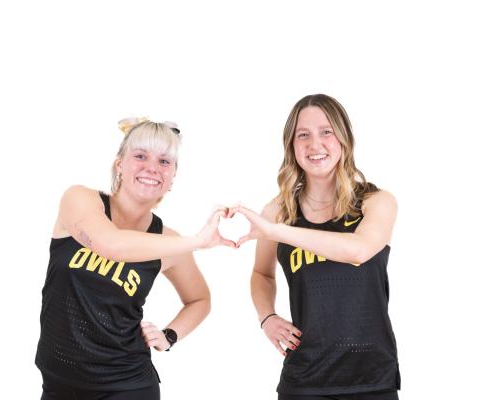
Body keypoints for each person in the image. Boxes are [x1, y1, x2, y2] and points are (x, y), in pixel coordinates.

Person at [35, 118, 235, 400]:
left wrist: (169, 336)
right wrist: (198, 241)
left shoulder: (169, 240)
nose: (152, 167)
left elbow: (200, 300)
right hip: (58, 386)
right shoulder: (80, 200)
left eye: (165, 161)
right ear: (120, 164)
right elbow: (110, 244)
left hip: (126, 385)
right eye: (140, 156)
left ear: (173, 176)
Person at [233, 94, 401, 399]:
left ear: (344, 139)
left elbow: (359, 250)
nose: (315, 144)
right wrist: (267, 317)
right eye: (303, 135)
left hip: (372, 377)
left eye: (326, 132)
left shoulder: (376, 202)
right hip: (304, 379)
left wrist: (278, 231)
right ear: (292, 146)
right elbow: (262, 274)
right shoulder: (278, 212)